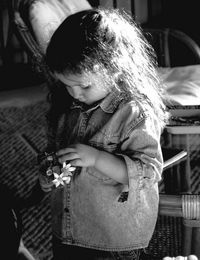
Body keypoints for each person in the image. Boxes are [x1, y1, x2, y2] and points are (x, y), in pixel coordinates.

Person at [40, 7, 169, 260]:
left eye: (84, 85)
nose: (75, 93)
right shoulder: (67, 107)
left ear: (115, 69)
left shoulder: (134, 112)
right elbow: (54, 151)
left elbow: (148, 172)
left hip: (113, 241)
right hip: (69, 229)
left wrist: (97, 159)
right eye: (67, 85)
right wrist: (48, 171)